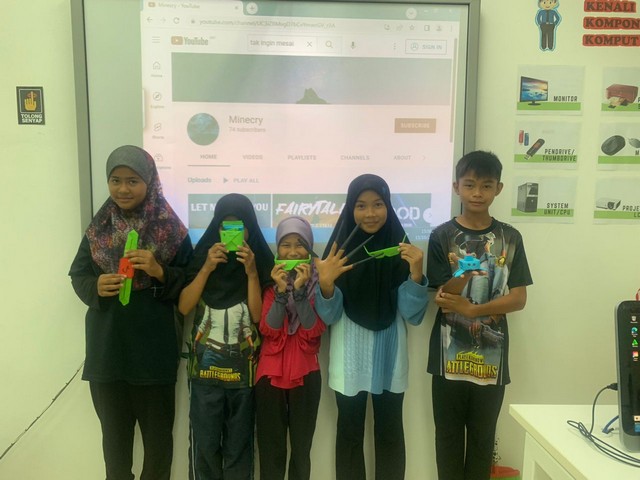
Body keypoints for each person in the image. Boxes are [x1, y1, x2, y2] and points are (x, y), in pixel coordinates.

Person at [69, 145, 192, 480]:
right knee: (115, 451)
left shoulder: (172, 229)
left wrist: (159, 270)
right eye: (115, 180)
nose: (123, 189)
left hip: (154, 356)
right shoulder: (98, 228)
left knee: (158, 448)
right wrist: (95, 286)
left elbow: (190, 283)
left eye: (132, 181)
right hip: (108, 354)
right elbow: (78, 275)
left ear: (149, 182)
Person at [314, 174, 429, 480]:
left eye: (378, 204)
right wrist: (326, 284)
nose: (370, 213)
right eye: (361, 205)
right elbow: (328, 317)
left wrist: (416, 274)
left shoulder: (402, 249)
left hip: (390, 355)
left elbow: (412, 315)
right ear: (350, 208)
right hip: (348, 356)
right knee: (349, 432)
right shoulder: (337, 254)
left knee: (390, 431)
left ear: (388, 206)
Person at [426, 150, 533, 480]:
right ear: (456, 187)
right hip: (447, 356)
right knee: (447, 438)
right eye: (470, 184)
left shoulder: (510, 238)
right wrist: (466, 271)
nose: (477, 193)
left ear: (498, 189)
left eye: (486, 185)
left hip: (492, 356)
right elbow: (443, 296)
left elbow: (518, 298)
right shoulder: (441, 236)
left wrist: (475, 310)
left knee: (483, 439)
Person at [179, 193, 274, 480]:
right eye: (225, 226)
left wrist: (252, 273)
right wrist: (207, 268)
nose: (231, 233)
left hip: (244, 374)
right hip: (204, 374)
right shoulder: (202, 256)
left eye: (239, 227)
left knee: (239, 448)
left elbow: (257, 317)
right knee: (204, 447)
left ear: (250, 229)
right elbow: (184, 306)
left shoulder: (260, 260)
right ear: (216, 228)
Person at [255, 216, 325, 480]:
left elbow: (312, 327)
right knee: (270, 447)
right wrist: (282, 291)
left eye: (300, 244)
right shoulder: (270, 284)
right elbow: (270, 327)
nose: (293, 251)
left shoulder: (319, 284)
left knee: (301, 449)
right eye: (286, 244)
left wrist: (300, 292)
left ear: (309, 248)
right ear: (277, 248)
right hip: (270, 372)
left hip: (305, 371)